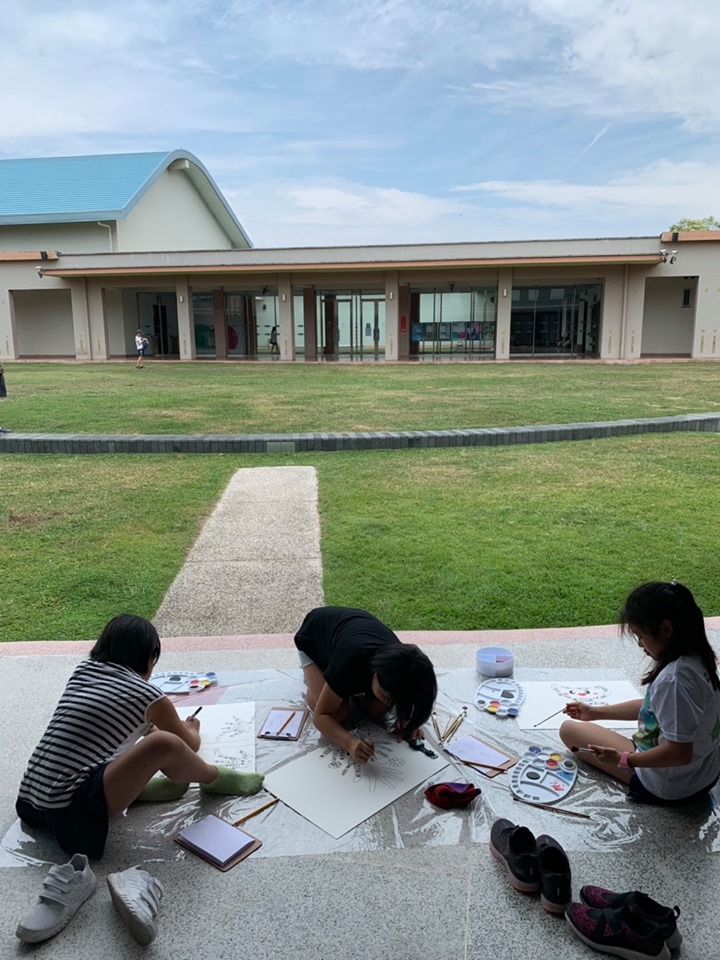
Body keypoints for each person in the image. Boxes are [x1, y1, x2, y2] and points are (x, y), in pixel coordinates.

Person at [16, 615, 263, 859]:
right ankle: (214, 779)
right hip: (72, 812)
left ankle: (139, 790)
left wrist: (154, 727)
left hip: (31, 801)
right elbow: (188, 745)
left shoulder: (83, 673)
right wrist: (193, 728)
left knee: (139, 743)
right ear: (149, 657)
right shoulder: (146, 694)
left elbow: (118, 729)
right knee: (162, 743)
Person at [560, 581, 720, 805]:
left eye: (640, 635)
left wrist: (625, 759)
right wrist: (595, 712)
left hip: (667, 785)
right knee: (581, 728)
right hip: (703, 776)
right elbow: (653, 706)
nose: (639, 644)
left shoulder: (673, 680)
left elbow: (679, 753)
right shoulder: (699, 658)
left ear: (666, 629)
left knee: (569, 730)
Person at [294, 606, 438, 764]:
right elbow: (321, 717)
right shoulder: (350, 661)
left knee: (377, 710)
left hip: (350, 636)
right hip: (315, 636)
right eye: (385, 696)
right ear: (375, 673)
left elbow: (406, 693)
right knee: (338, 714)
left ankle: (343, 688)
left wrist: (407, 720)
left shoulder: (406, 666)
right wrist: (350, 743)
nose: (387, 703)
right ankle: (317, 677)